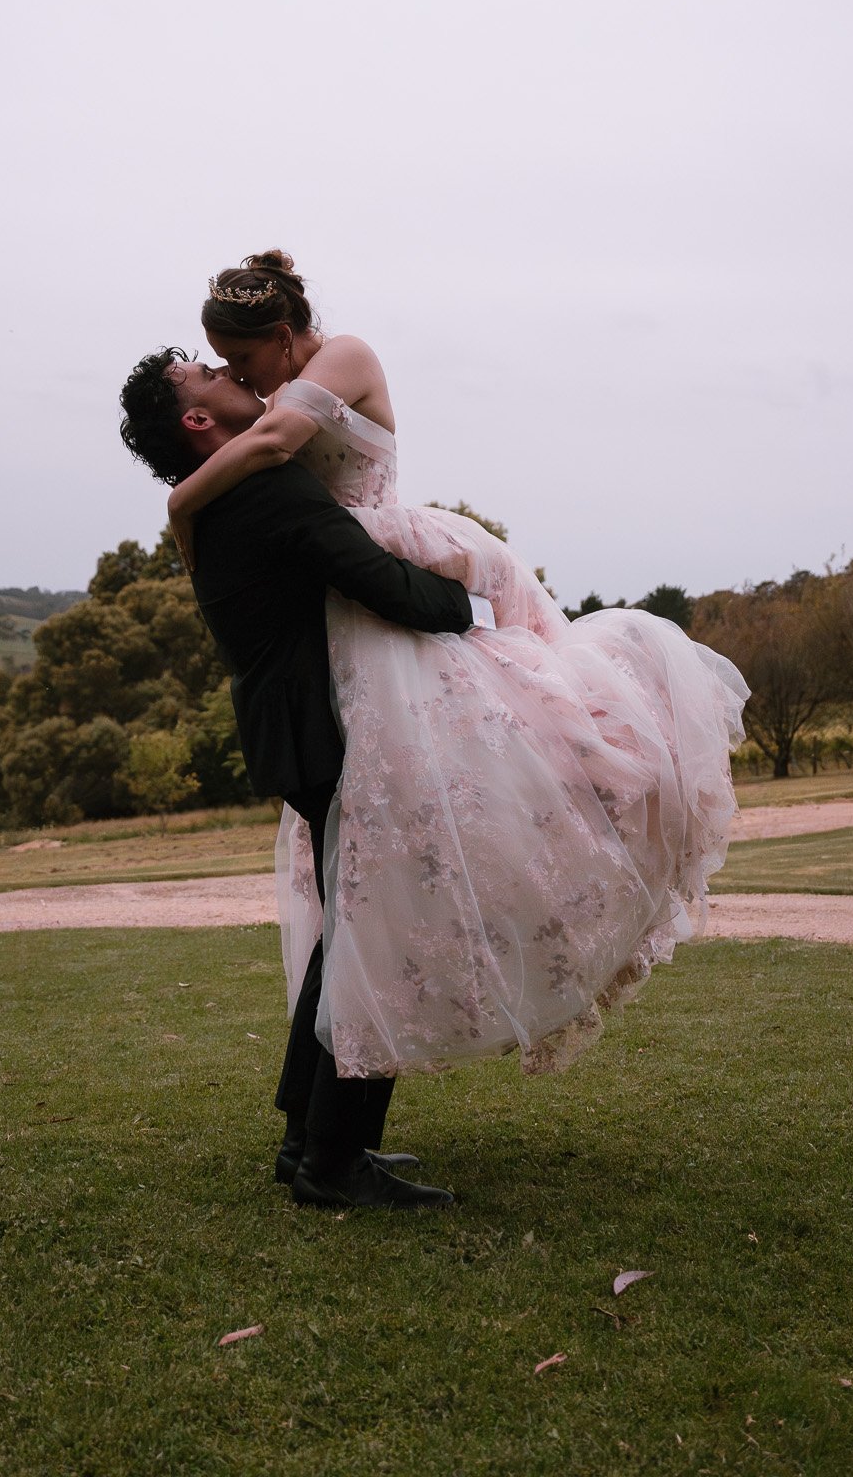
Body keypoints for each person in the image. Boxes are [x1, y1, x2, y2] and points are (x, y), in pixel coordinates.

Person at [165, 252, 748, 1085]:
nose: (238, 377)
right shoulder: (274, 409)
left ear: (285, 336)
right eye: (218, 365)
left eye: (243, 359)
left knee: (528, 733)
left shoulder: (344, 358)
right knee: (375, 863)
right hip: (348, 603)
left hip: (389, 551)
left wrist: (181, 501)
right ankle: (331, 1113)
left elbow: (275, 440)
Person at [119, 345, 493, 1210]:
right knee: (375, 937)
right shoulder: (263, 489)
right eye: (202, 373)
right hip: (331, 736)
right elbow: (379, 584)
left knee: (349, 935)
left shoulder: (211, 506)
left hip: (292, 736)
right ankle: (333, 1162)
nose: (225, 370)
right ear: (198, 420)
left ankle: (310, 1141)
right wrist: (476, 607)